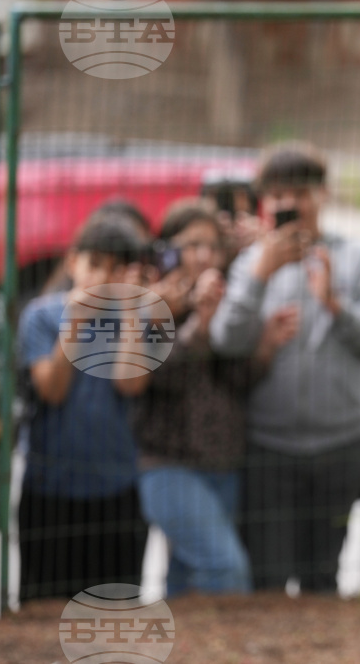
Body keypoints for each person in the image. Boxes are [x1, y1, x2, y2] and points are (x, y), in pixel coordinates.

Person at [209, 143, 360, 593]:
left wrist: (336, 305)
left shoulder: (358, 260)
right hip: (268, 446)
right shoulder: (249, 265)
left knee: (323, 576)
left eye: (300, 192)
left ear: (323, 195)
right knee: (268, 578)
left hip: (343, 444)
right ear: (264, 202)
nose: (289, 204)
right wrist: (260, 275)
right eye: (277, 195)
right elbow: (225, 341)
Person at [115, 199, 298, 597]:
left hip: (224, 464)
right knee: (226, 570)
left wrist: (264, 346)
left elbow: (237, 381)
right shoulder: (154, 303)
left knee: (185, 581)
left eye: (213, 246)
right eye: (192, 245)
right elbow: (146, 378)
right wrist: (198, 322)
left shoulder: (231, 297)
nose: (204, 256)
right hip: (170, 466)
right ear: (169, 249)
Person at [17, 214, 150, 600]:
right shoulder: (41, 315)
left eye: (116, 269)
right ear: (73, 262)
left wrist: (128, 311)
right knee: (46, 607)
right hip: (50, 491)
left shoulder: (140, 319)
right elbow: (52, 390)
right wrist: (75, 323)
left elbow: (132, 383)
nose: (101, 278)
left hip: (116, 489)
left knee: (113, 612)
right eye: (94, 265)